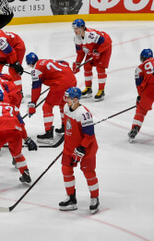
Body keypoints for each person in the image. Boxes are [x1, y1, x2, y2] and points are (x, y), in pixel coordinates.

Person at [59, 87, 100, 215]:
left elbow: (89, 136)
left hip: (87, 148)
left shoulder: (83, 114)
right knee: (66, 170)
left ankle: (94, 198)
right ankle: (71, 199)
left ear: (76, 100)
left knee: (88, 172)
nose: (66, 100)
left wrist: (81, 149)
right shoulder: (67, 108)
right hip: (70, 147)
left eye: (68, 98)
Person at [25, 52, 77, 144]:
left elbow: (36, 87)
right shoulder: (45, 61)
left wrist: (33, 103)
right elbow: (64, 63)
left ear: (29, 63)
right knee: (63, 103)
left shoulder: (36, 69)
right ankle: (66, 126)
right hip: (72, 79)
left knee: (47, 106)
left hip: (60, 84)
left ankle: (48, 134)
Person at [71, 19, 112, 101]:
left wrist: (98, 51)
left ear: (82, 27)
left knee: (100, 68)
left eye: (77, 28)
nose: (75, 31)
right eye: (74, 29)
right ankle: (88, 89)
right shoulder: (77, 38)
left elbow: (107, 42)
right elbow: (80, 53)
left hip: (104, 49)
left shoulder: (90, 35)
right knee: (87, 67)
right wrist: (77, 63)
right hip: (93, 49)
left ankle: (101, 91)